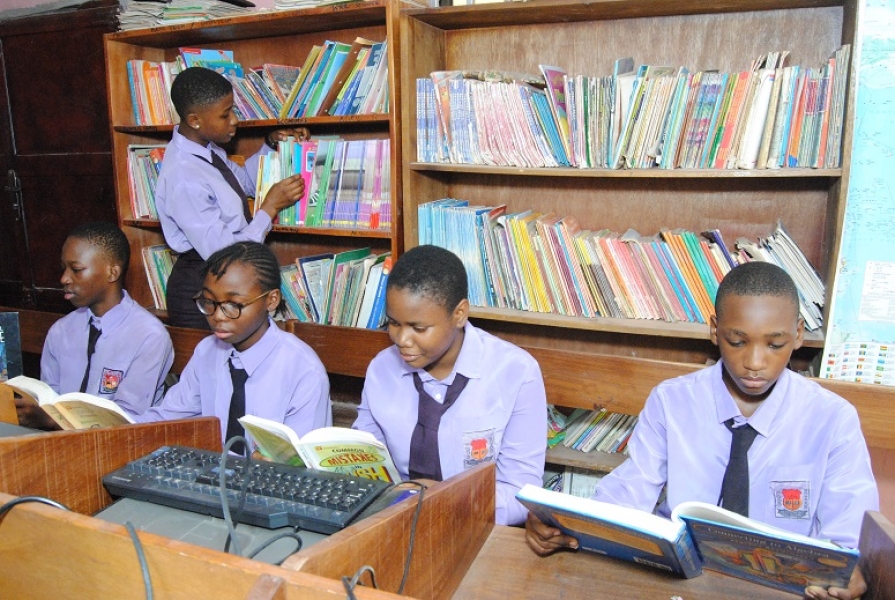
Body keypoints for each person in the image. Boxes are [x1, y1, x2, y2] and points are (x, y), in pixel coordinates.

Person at [525, 261, 879, 600]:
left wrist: (849, 574)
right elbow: (628, 494)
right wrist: (562, 525)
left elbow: (846, 538)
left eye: (775, 344)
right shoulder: (672, 401)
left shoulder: (833, 420)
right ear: (714, 330)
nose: (755, 363)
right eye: (737, 342)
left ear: (799, 334)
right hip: (681, 583)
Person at [353, 245, 547, 526]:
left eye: (418, 328)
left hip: (478, 525)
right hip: (395, 521)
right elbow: (368, 464)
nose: (402, 339)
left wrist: (447, 502)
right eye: (393, 323)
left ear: (459, 314)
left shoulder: (516, 373)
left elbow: (522, 493)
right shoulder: (382, 369)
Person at [136, 241, 331, 451]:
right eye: (209, 301)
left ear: (271, 300)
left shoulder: (303, 370)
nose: (218, 316)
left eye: (234, 305)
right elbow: (169, 415)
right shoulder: (207, 352)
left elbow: (304, 459)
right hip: (215, 475)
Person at [157, 66, 310, 328]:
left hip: (228, 283)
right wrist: (269, 208)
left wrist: (272, 144)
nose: (234, 120)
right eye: (225, 115)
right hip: (203, 291)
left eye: (233, 110)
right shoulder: (184, 176)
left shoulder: (207, 149)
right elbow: (223, 255)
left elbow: (245, 183)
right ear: (195, 120)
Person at [16, 221, 174, 429]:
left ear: (112, 273)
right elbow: (48, 397)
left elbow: (126, 419)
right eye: (64, 268)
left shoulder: (149, 336)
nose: (64, 278)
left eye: (77, 269)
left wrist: (54, 422)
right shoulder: (61, 331)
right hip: (60, 444)